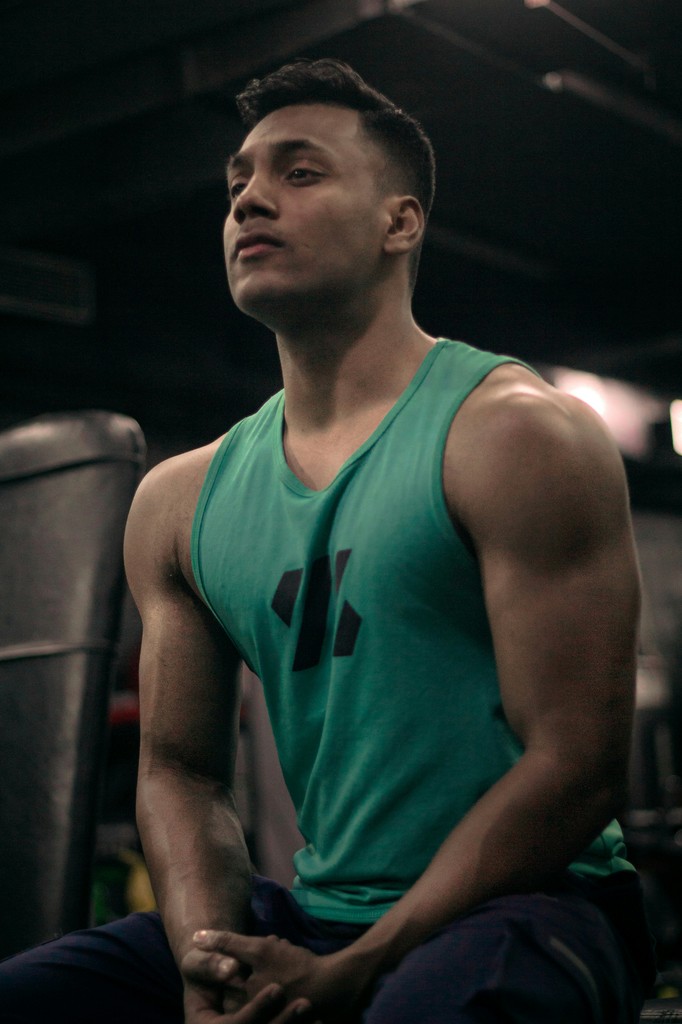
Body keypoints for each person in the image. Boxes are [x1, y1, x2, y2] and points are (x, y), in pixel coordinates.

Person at [0, 58, 655, 1023]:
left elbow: (576, 764)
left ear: (401, 222)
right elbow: (181, 773)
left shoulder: (514, 434)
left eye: (299, 174)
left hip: (535, 906)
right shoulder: (179, 502)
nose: (250, 201)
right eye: (238, 184)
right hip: (313, 914)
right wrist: (207, 965)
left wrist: (369, 962)